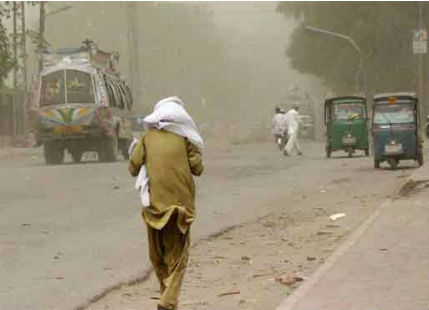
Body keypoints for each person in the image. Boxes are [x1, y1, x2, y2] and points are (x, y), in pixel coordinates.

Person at [128, 96, 204, 310]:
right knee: (178, 258)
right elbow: (198, 169)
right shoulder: (185, 139)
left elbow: (133, 167)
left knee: (158, 257)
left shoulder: (147, 137)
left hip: (154, 208)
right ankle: (168, 301)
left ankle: (166, 298)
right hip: (181, 208)